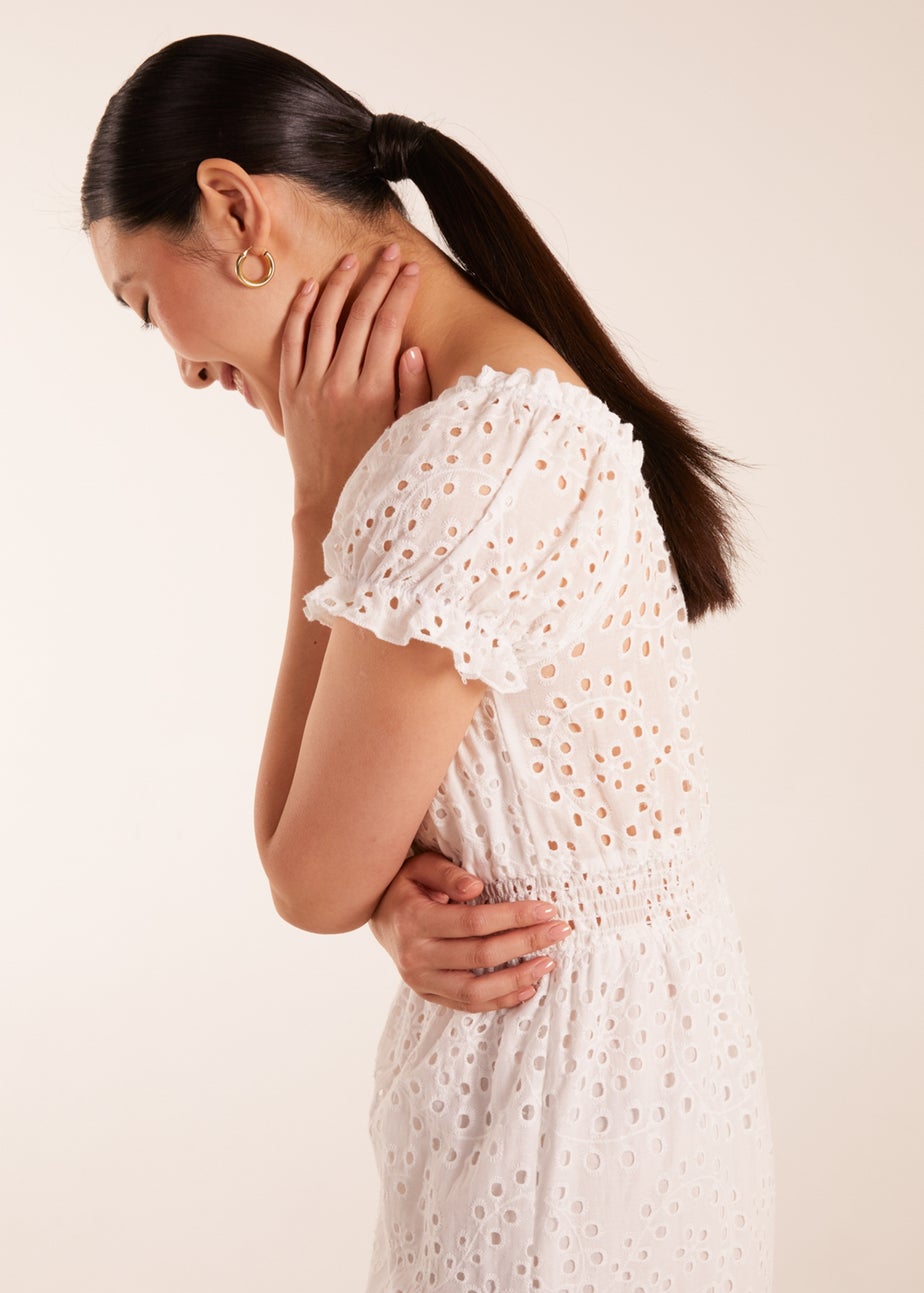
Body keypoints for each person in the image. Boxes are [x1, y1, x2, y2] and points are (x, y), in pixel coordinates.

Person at [82, 33, 775, 1291]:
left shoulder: (472, 457)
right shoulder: (499, 413)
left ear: (237, 209)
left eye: (143, 299)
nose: (180, 363)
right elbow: (413, 832)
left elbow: (304, 874)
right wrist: (399, 892)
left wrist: (317, 502)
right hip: (613, 1087)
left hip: (562, 1127)